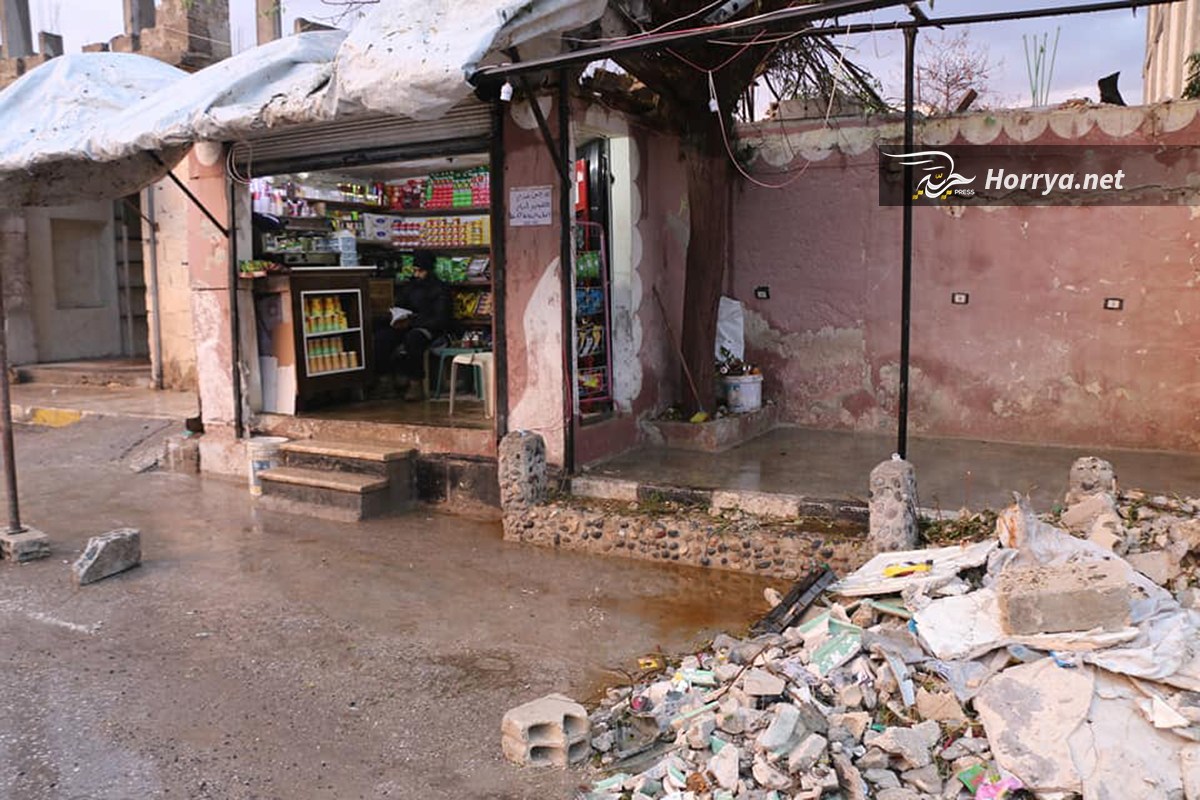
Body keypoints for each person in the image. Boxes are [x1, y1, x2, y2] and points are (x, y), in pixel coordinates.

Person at [374, 250, 451, 401]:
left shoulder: (440, 289)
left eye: (420, 271)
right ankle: (385, 380)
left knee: (414, 339)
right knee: (382, 338)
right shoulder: (410, 287)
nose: (416, 274)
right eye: (415, 270)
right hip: (407, 325)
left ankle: (416, 383)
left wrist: (414, 322)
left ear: (429, 270)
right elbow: (401, 304)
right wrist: (396, 316)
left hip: (429, 328)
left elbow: (441, 319)